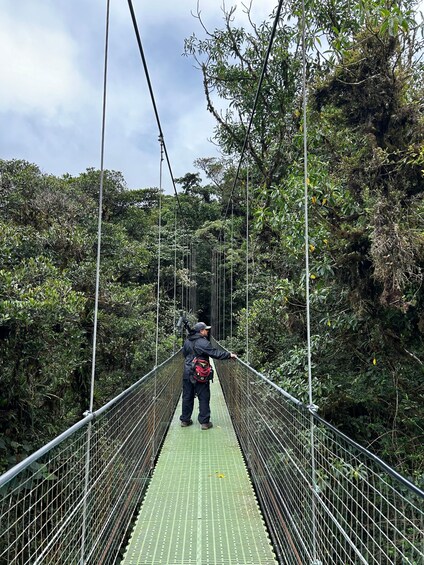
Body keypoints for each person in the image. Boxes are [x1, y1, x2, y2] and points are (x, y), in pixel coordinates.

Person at [180, 322, 237, 430]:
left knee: (187, 396)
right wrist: (229, 355)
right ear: (201, 331)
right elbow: (215, 353)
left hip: (187, 373)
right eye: (205, 329)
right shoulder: (203, 342)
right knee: (203, 396)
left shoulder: (187, 341)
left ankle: (185, 420)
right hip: (199, 374)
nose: (207, 331)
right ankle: (204, 423)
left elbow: (184, 354)